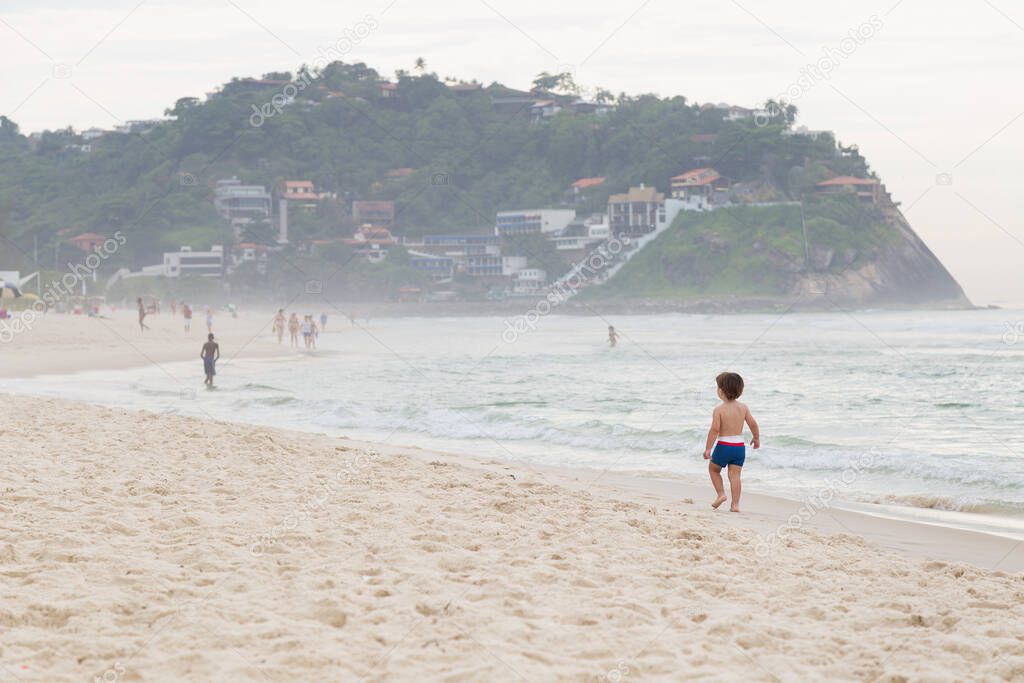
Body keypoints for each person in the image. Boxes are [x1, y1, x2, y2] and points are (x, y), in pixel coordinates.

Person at [703, 372, 760, 513]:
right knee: (735, 475)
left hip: (724, 446)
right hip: (739, 447)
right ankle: (735, 505)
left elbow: (714, 429)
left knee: (713, 470)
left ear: (721, 391)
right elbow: (753, 424)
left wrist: (708, 448)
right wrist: (756, 438)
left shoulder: (719, 410)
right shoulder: (743, 408)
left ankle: (721, 494)